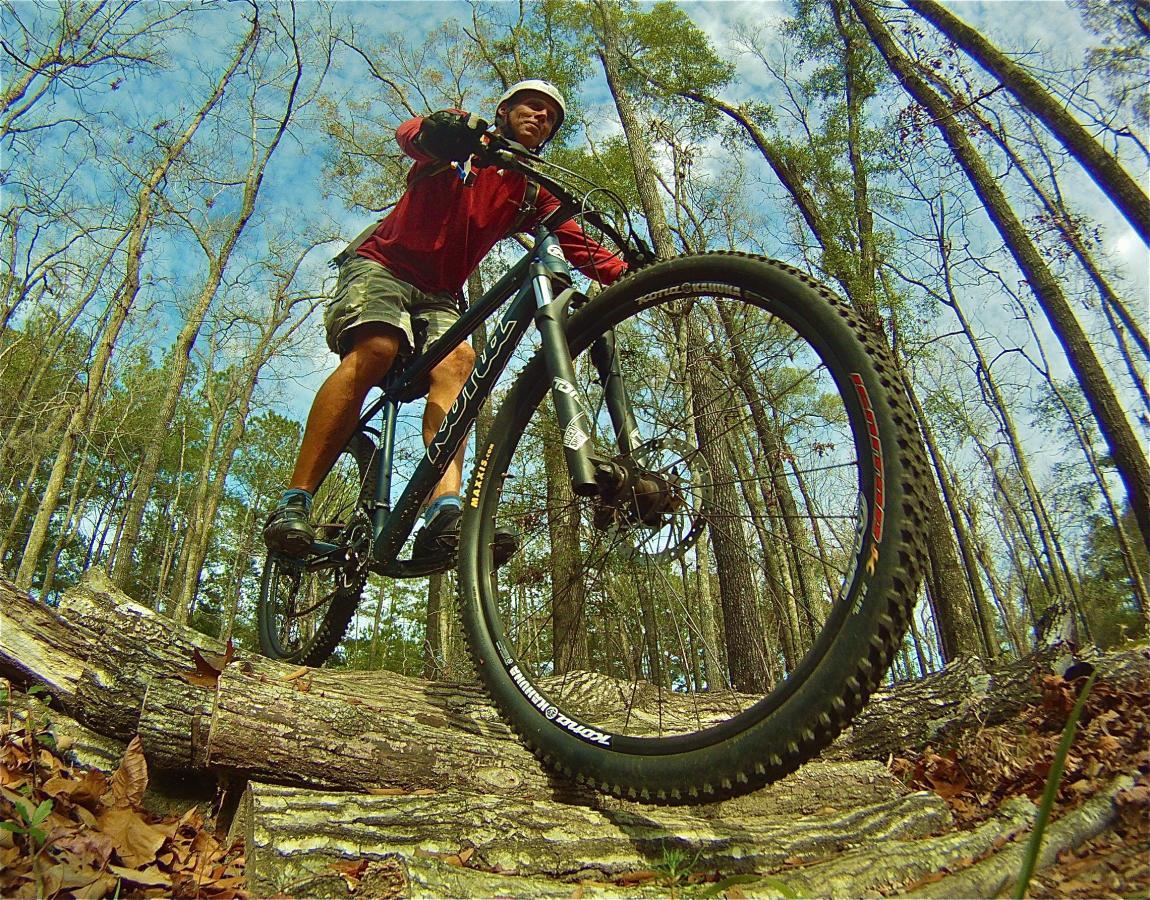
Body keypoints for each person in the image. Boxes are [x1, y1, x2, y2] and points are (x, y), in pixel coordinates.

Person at [264, 80, 627, 567]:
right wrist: (442, 133)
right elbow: (413, 134)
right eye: (533, 107)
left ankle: (444, 512)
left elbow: (581, 247)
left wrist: (638, 274)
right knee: (377, 348)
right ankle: (296, 499)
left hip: (439, 294)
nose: (541, 118)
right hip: (383, 265)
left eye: (551, 118)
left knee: (460, 362)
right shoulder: (465, 140)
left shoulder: (528, 192)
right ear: (504, 110)